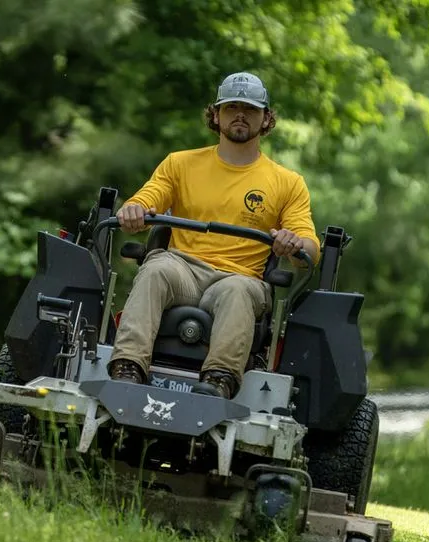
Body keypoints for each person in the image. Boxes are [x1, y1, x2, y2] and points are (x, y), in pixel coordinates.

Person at [107, 72, 320, 399]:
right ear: (216, 115)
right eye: (231, 107)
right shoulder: (180, 164)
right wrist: (134, 209)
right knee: (155, 268)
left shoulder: (287, 182)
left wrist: (294, 244)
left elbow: (309, 248)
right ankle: (127, 368)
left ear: (265, 119)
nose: (240, 115)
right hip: (183, 269)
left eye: (249, 109)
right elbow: (147, 198)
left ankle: (219, 381)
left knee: (237, 291)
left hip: (240, 277)